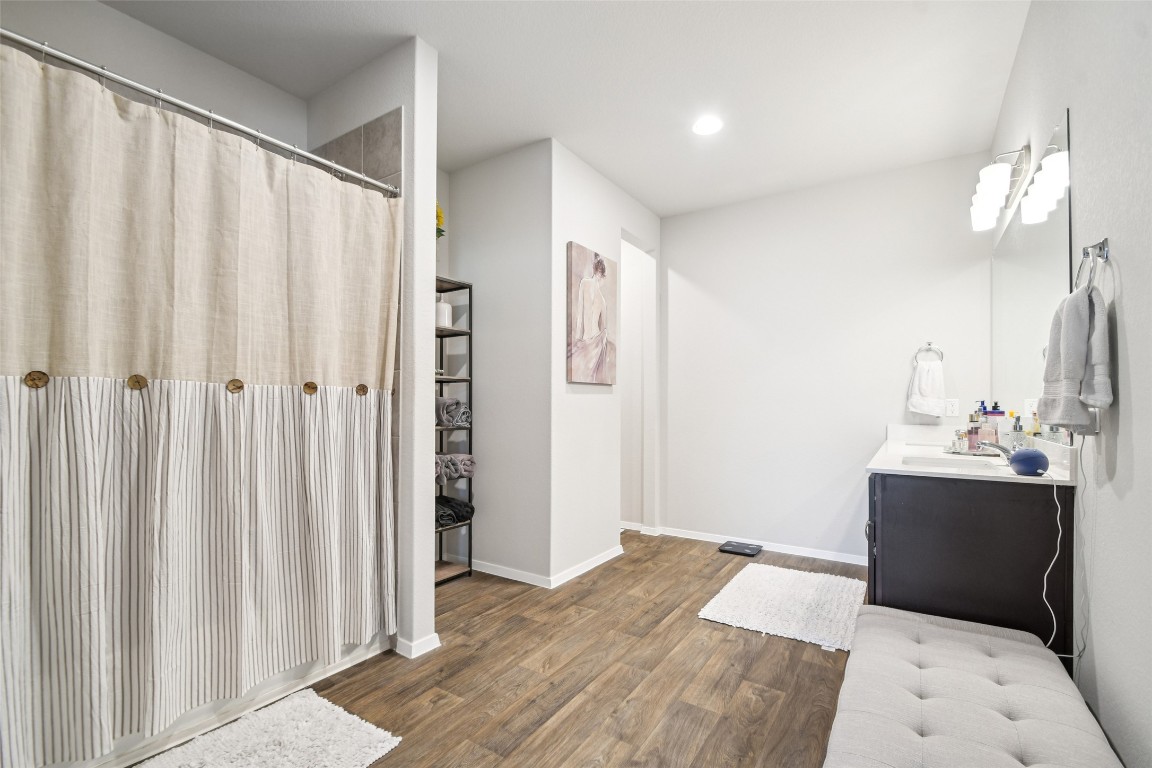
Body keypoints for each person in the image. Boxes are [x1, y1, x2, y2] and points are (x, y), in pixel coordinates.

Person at [568, 253, 615, 383]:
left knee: (580, 376)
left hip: (585, 338)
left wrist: (578, 337)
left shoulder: (584, 283)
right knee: (589, 378)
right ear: (601, 274)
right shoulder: (603, 300)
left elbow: (580, 315)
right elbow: (604, 329)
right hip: (595, 341)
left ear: (594, 271)